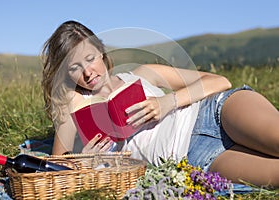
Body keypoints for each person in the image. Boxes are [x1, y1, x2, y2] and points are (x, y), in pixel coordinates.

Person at [41, 20, 279, 188]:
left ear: (101, 53)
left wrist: (168, 101)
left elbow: (219, 81)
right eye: (74, 68)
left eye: (90, 59)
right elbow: (55, 169)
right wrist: (85, 159)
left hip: (215, 111)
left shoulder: (143, 73)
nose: (87, 72)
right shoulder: (73, 106)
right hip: (195, 156)